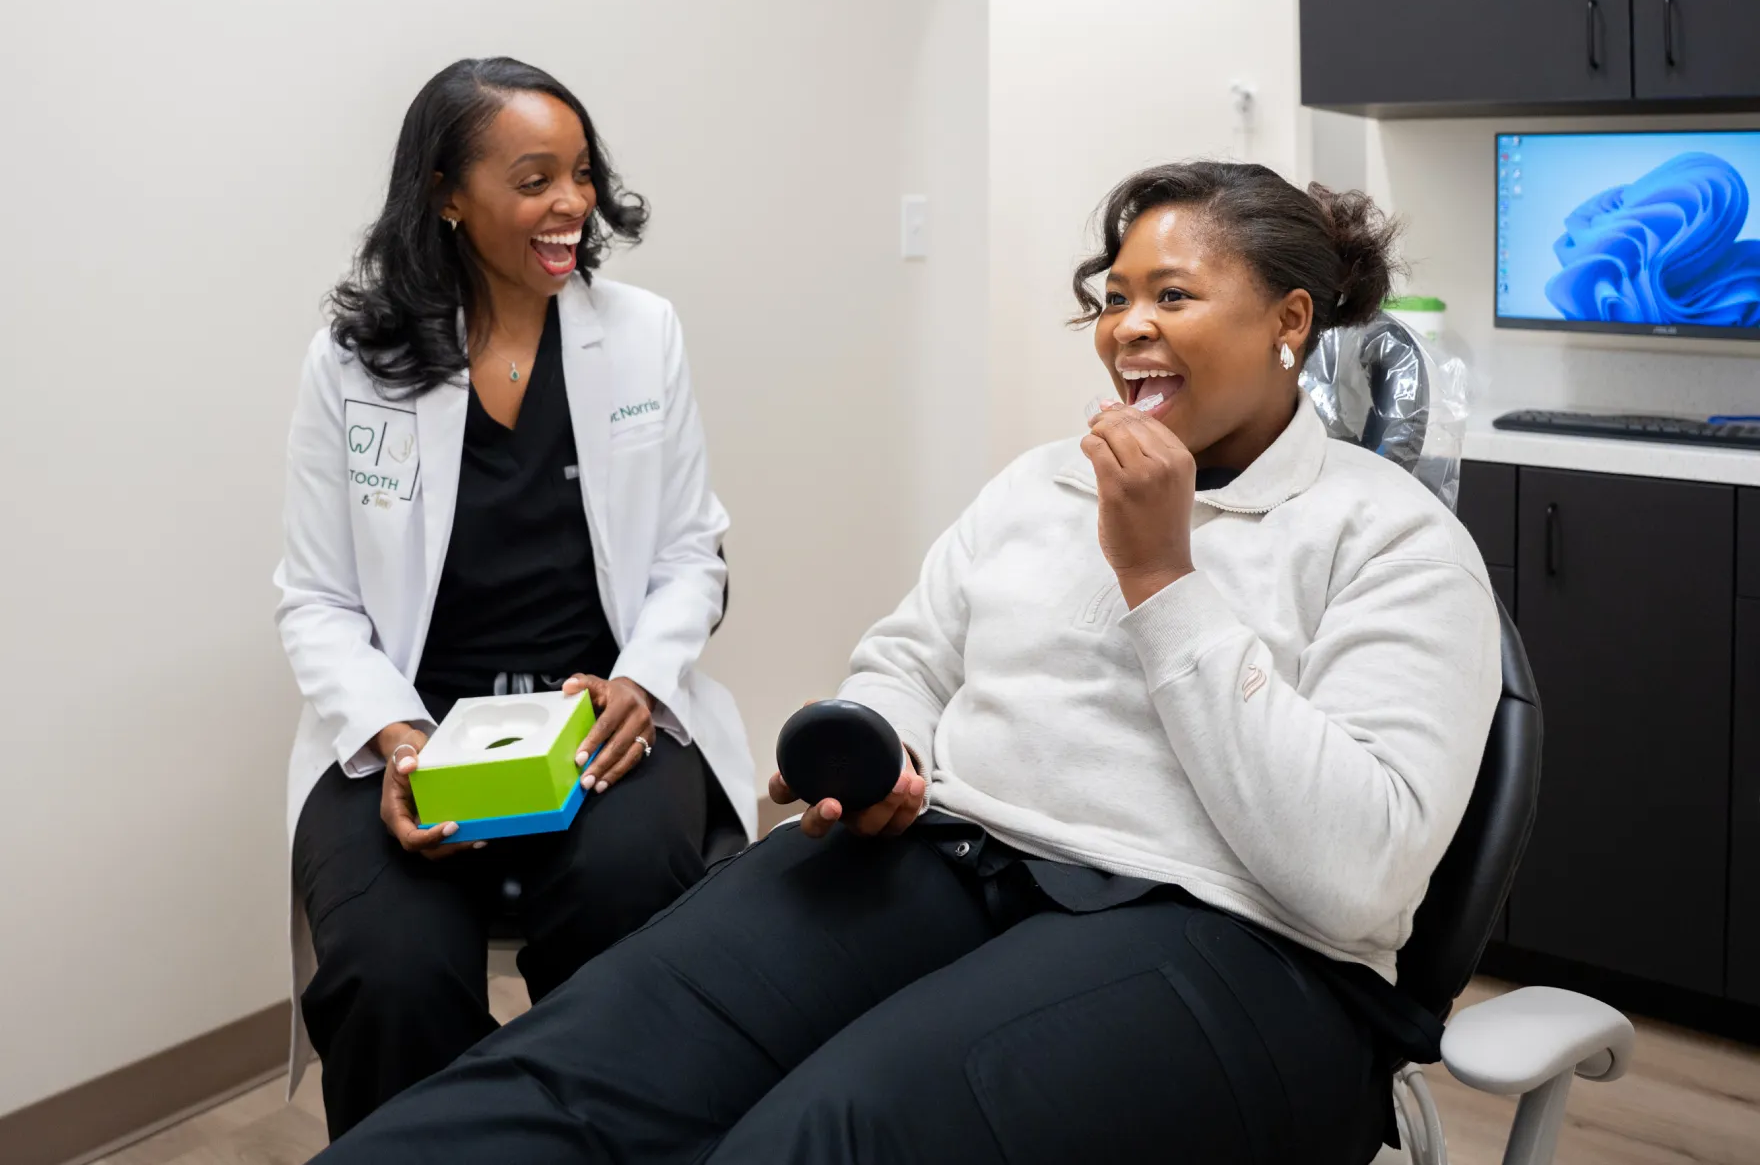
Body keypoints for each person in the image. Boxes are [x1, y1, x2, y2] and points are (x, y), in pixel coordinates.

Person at [310, 162, 1501, 1163]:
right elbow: (908, 662)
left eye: (1172, 294)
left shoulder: (1391, 537)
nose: (1126, 326)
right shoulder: (1038, 484)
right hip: (955, 856)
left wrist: (1161, 579)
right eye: (1113, 296)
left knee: (824, 1133)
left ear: (1289, 322)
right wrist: (875, 747)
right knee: (574, 1065)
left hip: (1234, 941)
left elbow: (1356, 873)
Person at [275, 57, 754, 1139]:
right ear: (446, 193)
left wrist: (638, 683)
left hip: (598, 716)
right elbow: (313, 599)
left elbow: (691, 557)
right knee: (390, 977)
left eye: (580, 174)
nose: (571, 205)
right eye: (533, 178)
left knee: (633, 921)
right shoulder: (353, 361)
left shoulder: (640, 333)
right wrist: (398, 739)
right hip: (408, 723)